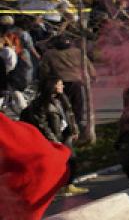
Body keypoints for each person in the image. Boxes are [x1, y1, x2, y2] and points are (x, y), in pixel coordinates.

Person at [35, 17, 95, 146]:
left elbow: (44, 70)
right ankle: (76, 131)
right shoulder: (77, 52)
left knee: (62, 108)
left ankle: (65, 133)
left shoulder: (49, 54)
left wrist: (44, 82)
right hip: (76, 82)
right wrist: (93, 77)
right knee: (77, 108)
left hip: (59, 84)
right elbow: (88, 65)